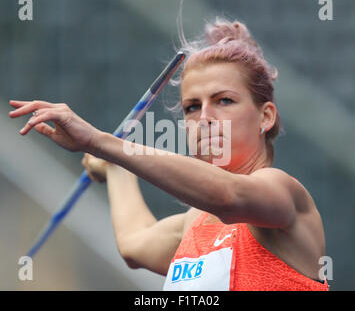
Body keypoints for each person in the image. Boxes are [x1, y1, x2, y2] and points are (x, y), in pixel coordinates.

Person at [9, 17, 329, 291]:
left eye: (224, 101)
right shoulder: (195, 222)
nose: (204, 117)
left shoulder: (283, 194)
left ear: (265, 117)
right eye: (192, 107)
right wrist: (116, 169)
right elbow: (135, 244)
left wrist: (98, 142)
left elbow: (229, 196)